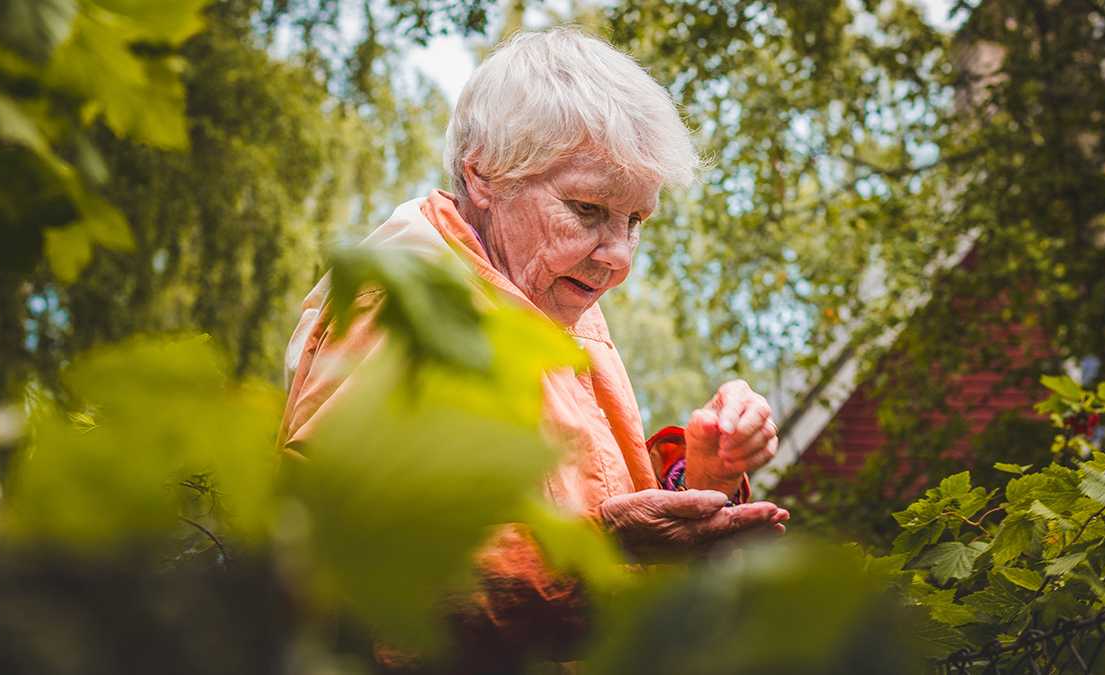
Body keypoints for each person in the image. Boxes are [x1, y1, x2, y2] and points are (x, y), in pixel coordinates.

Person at [277, 26, 789, 669]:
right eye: (588, 209)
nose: (619, 257)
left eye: (636, 221)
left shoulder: (549, 297)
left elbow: (579, 499)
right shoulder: (404, 312)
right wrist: (601, 550)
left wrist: (700, 476)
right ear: (484, 174)